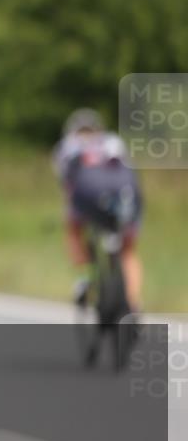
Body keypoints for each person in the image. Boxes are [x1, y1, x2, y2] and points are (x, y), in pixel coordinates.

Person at [52, 108, 144, 311]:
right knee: (128, 251)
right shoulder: (113, 142)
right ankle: (134, 303)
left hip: (88, 200)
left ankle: (83, 279)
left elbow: (66, 184)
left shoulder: (68, 146)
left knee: (73, 231)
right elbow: (130, 171)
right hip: (125, 197)